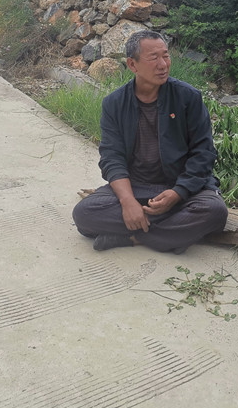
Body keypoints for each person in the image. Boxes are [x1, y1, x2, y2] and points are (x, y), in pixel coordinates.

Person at [72, 30, 228, 253]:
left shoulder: (188, 97)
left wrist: (178, 192)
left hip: (181, 186)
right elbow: (112, 158)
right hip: (137, 186)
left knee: (215, 211)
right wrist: (128, 202)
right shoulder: (114, 104)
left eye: (166, 56)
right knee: (84, 214)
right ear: (132, 64)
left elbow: (204, 153)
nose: (163, 64)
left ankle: (133, 238)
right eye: (154, 58)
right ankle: (172, 234)